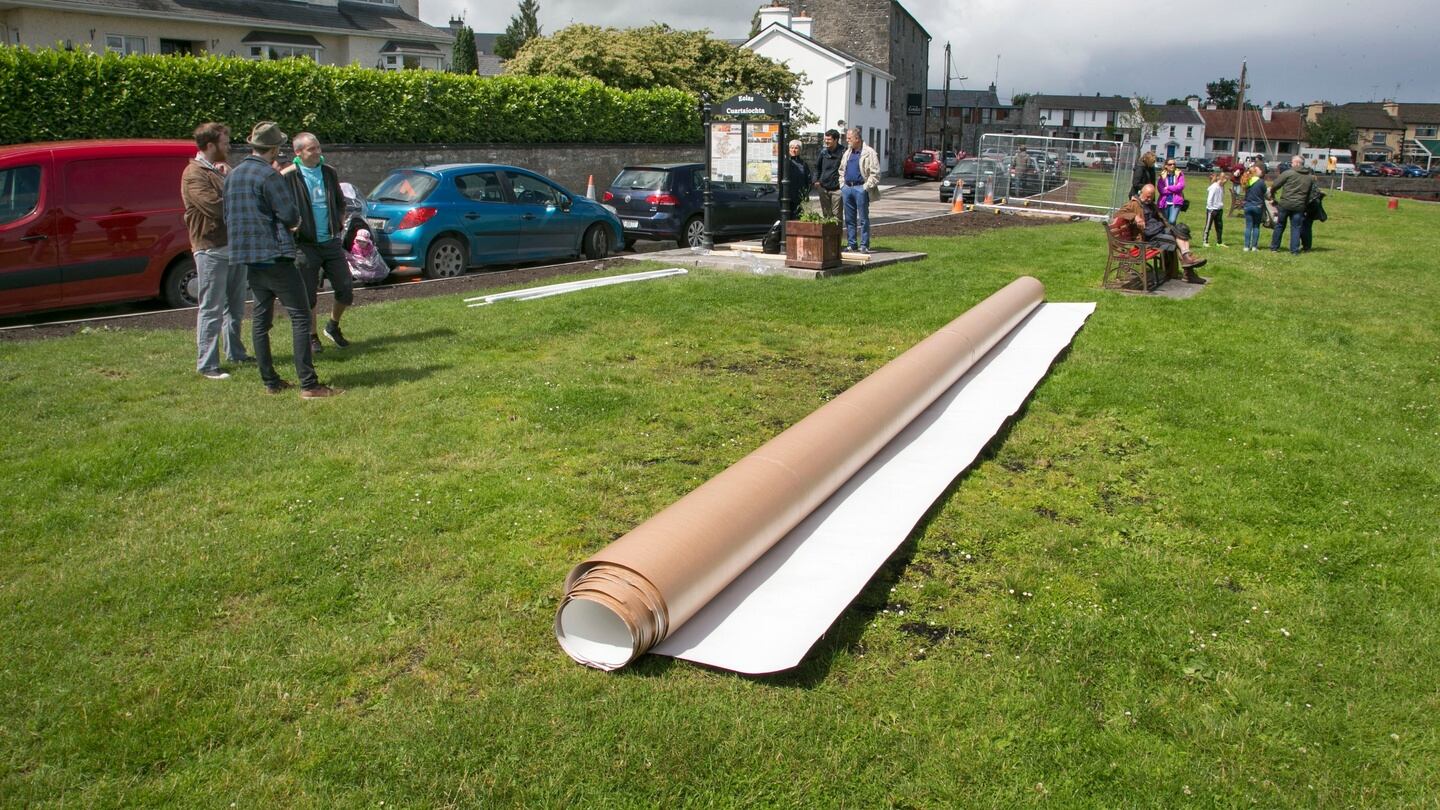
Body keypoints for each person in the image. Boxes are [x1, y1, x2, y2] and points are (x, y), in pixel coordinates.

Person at [225, 121, 340, 399]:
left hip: (249, 258)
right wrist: (295, 223)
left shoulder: (234, 175)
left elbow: (228, 216)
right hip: (275, 255)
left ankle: (270, 381)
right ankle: (309, 385)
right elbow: (290, 215)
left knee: (261, 319)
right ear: (275, 148)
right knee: (301, 316)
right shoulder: (269, 176)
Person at [181, 121, 251, 380]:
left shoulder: (220, 171)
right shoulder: (194, 173)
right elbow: (214, 207)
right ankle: (207, 365)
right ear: (210, 145)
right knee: (211, 308)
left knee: (236, 307)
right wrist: (239, 197)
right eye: (224, 141)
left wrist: (230, 177)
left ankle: (236, 353)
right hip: (210, 248)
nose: (229, 145)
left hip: (234, 247)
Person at [283, 132, 355, 353]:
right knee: (308, 294)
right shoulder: (288, 176)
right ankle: (312, 336)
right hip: (304, 244)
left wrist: (339, 223)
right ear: (298, 153)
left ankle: (332, 326)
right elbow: (281, 207)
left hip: (330, 241)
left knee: (345, 287)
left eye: (318, 148)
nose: (317, 152)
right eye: (311, 149)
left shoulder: (329, 172)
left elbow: (340, 202)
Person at [1134, 184, 1208, 283]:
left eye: (1151, 197)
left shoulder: (1151, 204)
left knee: (1181, 230)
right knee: (1175, 241)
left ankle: (1187, 256)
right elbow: (1121, 213)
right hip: (1150, 238)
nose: (1149, 199)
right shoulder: (1134, 204)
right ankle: (1188, 272)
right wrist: (1135, 217)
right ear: (1141, 193)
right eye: (1147, 196)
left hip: (1159, 231)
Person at [839, 127, 881, 253]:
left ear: (857, 139)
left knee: (863, 218)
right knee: (849, 219)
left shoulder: (869, 152)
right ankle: (852, 244)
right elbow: (841, 170)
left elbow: (876, 174)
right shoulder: (848, 152)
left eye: (849, 138)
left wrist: (865, 187)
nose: (847, 141)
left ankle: (864, 245)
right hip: (848, 188)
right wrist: (842, 185)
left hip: (860, 188)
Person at [1267, 155, 1317, 255]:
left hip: (1285, 203)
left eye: (1292, 162)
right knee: (1296, 227)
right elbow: (1311, 193)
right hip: (1299, 205)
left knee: (1280, 225)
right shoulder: (1310, 177)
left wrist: (1272, 194)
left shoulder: (1288, 173)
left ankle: (1274, 247)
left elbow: (1275, 184)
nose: (1291, 164)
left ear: (1297, 163)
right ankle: (1294, 250)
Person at [813, 129, 843, 219]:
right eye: (825, 139)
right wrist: (816, 181)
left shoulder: (843, 152)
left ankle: (837, 233)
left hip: (838, 189)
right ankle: (828, 233)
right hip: (823, 188)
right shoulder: (823, 152)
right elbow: (817, 168)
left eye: (829, 139)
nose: (826, 141)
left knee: (836, 215)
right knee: (826, 215)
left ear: (836, 140)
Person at [1241, 164, 1267, 252]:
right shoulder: (1260, 182)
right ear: (1256, 173)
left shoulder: (1247, 181)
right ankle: (1254, 247)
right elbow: (1265, 193)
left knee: (1248, 227)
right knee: (1256, 226)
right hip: (1257, 206)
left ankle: (1246, 246)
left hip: (1247, 206)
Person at [784, 139, 811, 220]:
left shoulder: (803, 164)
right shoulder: (785, 162)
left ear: (800, 150)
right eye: (791, 148)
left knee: (796, 218)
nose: (793, 150)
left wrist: (805, 193)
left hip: (798, 196)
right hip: (786, 196)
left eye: (796, 148)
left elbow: (808, 180)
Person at [1202, 170, 1226, 248]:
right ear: (1219, 178)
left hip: (1219, 209)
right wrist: (1210, 209)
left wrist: (1220, 206)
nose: (1225, 180)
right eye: (1223, 178)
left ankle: (1219, 242)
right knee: (1208, 225)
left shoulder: (1221, 187)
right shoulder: (1214, 187)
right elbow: (1210, 199)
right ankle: (1205, 241)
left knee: (1219, 226)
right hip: (1212, 209)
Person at [1158, 158, 1185, 223]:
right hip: (1165, 202)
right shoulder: (1162, 176)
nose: (1172, 166)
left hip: (1176, 202)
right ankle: (1170, 233)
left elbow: (1180, 187)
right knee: (1165, 222)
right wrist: (1174, 188)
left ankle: (1172, 232)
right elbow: (1161, 190)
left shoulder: (1179, 174)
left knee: (1172, 221)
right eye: (1170, 164)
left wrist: (1168, 188)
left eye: (1174, 164)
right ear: (1166, 166)